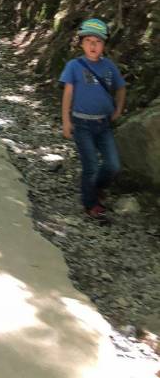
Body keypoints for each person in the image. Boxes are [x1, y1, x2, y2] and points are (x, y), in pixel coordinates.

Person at [60, 17, 127, 223]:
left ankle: (95, 187)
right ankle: (90, 204)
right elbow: (68, 94)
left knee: (113, 165)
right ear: (81, 44)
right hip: (82, 124)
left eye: (97, 42)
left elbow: (121, 87)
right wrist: (66, 121)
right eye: (88, 41)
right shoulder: (74, 66)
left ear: (104, 45)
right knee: (91, 166)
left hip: (103, 124)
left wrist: (118, 108)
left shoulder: (108, 67)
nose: (93, 45)